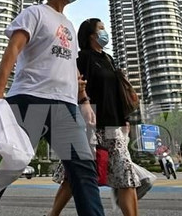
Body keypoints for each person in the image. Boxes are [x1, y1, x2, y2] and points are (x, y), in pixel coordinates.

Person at [0, 0, 105, 216]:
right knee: (2, 170)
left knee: (83, 169)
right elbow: (14, 47)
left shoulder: (68, 25)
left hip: (65, 106)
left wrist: (84, 99)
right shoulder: (34, 13)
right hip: (29, 100)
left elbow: (71, 65)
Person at [48, 18, 140, 216]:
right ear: (91, 35)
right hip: (90, 125)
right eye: (101, 29)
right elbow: (76, 85)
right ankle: (52, 214)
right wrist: (84, 102)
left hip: (114, 126)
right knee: (75, 176)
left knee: (126, 177)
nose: (105, 32)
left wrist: (125, 119)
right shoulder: (83, 58)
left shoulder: (108, 59)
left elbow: (116, 93)